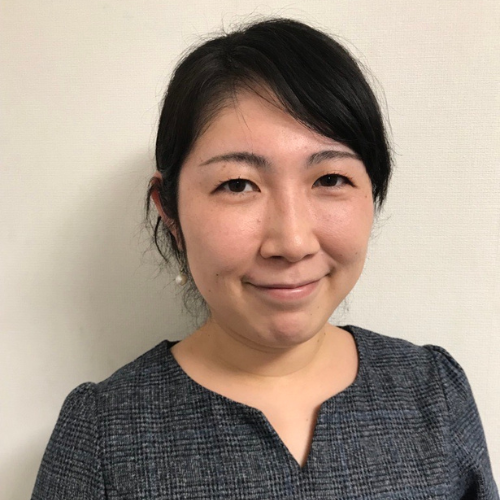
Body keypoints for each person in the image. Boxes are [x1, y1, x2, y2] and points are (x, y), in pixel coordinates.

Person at [31, 18, 498, 499]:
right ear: (170, 213)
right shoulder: (102, 435)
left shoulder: (434, 392)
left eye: (330, 179)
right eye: (238, 185)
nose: (292, 242)